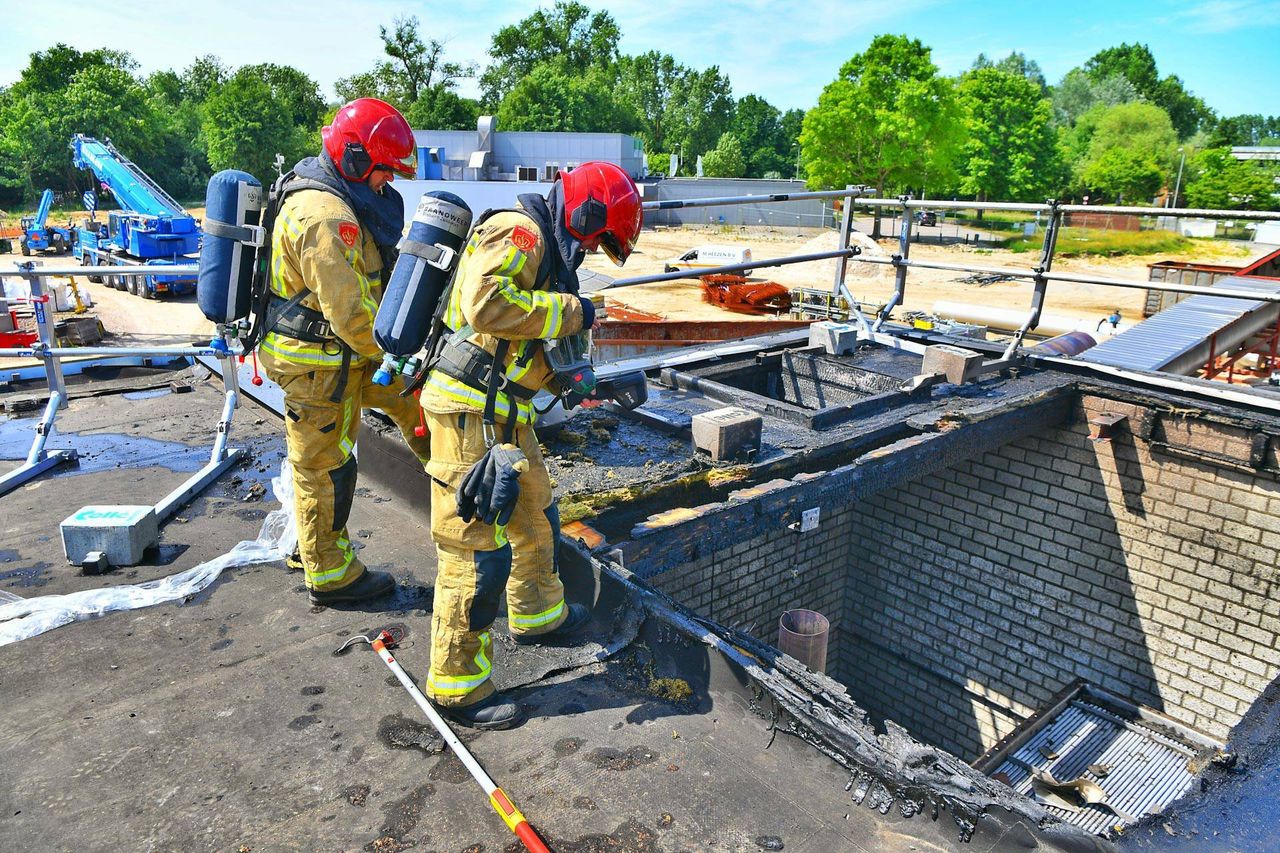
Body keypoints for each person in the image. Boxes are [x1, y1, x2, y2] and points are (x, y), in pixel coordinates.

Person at [419, 161, 642, 729]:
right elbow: (487, 305)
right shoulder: (522, 232)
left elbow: (544, 354)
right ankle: (457, 686)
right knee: (474, 550)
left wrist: (601, 384)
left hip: (505, 411)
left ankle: (539, 613)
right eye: (596, 239)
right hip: (469, 408)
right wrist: (575, 312)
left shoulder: (553, 255)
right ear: (584, 212)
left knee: (536, 512)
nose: (590, 252)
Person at [258, 97, 431, 605]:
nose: (388, 185)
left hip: (346, 356)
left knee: (413, 403)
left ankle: (453, 488)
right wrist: (402, 354)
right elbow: (353, 313)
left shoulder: (340, 197)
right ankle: (329, 573)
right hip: (319, 363)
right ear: (355, 160)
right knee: (325, 466)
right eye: (384, 173)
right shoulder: (326, 216)